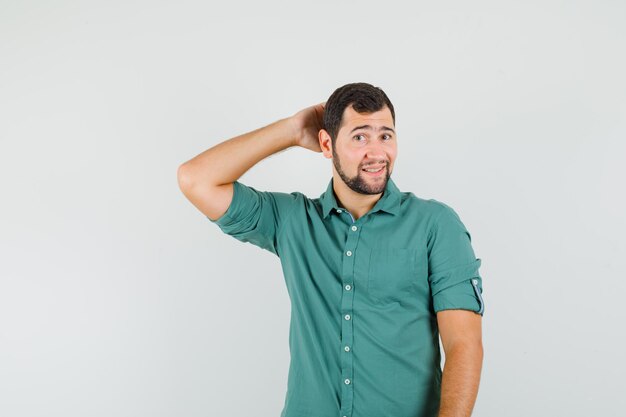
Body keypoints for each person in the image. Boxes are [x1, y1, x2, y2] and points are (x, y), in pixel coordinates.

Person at [177, 82, 485, 417]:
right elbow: (196, 180)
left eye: (386, 135)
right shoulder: (293, 221)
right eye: (359, 137)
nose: (377, 153)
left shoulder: (436, 225)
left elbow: (463, 346)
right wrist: (293, 129)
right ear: (327, 144)